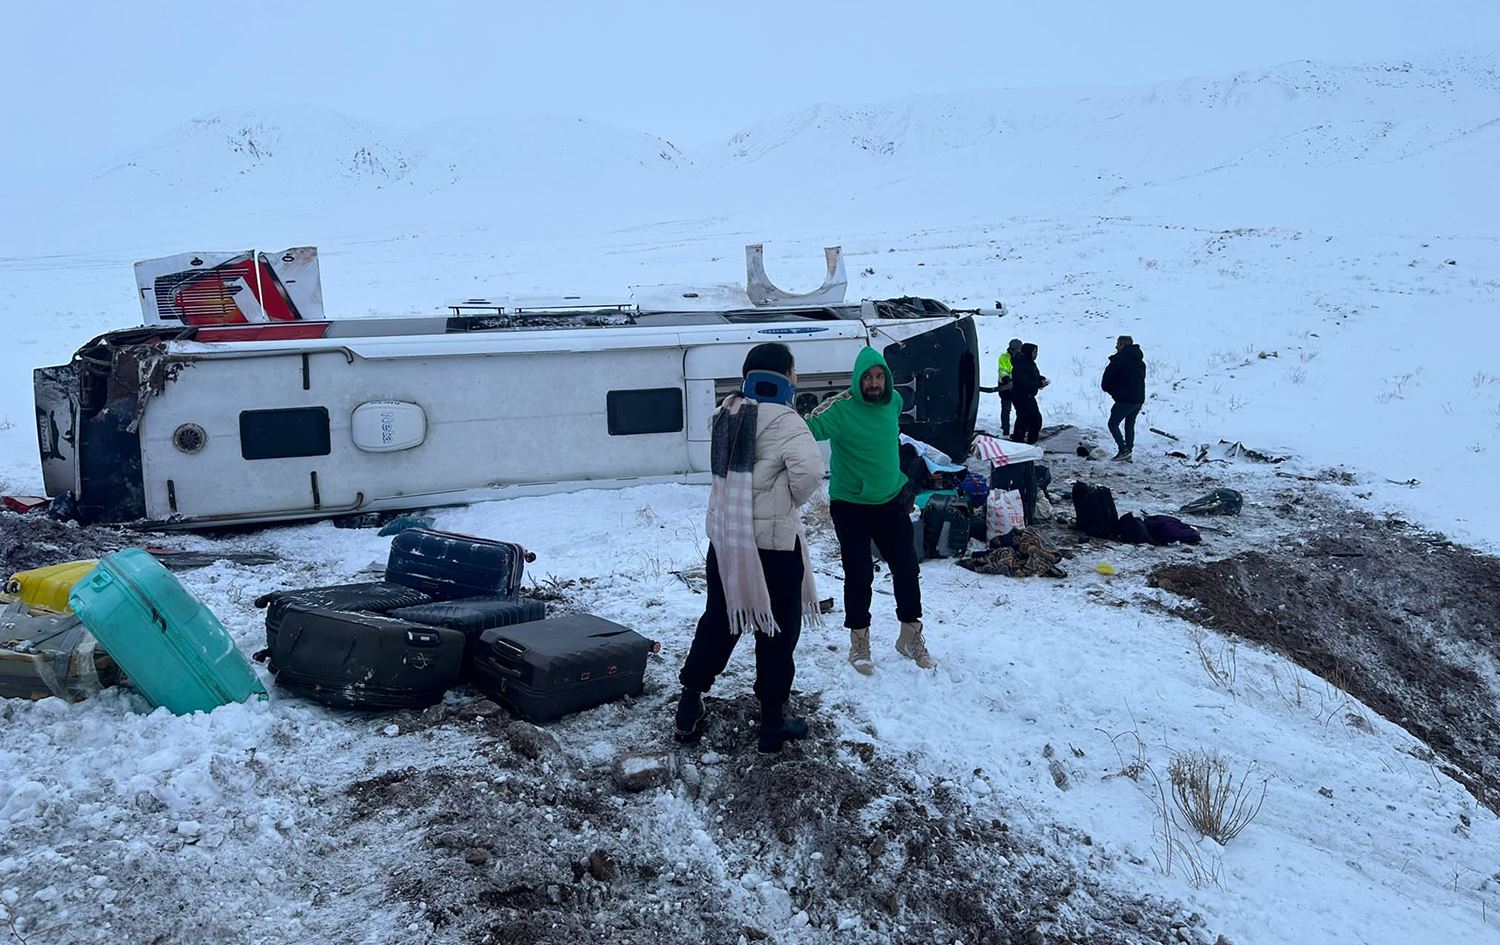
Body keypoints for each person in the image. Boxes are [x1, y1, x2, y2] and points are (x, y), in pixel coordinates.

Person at [674, 343, 826, 754]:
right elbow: (810, 472)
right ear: (786, 377)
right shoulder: (788, 422)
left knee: (719, 622)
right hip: (774, 548)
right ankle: (772, 725)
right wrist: (788, 500)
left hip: (728, 542)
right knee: (777, 633)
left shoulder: (727, 413)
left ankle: (688, 707)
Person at [805, 347, 933, 674]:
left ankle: (910, 636)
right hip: (851, 504)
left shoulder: (894, 402)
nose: (874, 383)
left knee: (906, 569)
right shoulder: (840, 409)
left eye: (879, 377)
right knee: (859, 574)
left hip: (890, 500)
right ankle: (859, 643)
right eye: (868, 378)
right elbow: (805, 429)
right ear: (857, 380)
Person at [1101, 335, 1146, 461]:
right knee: (1129, 425)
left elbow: (1106, 382)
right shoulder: (1140, 362)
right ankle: (1128, 451)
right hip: (1138, 399)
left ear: (1122, 345)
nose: (1116, 347)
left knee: (1112, 423)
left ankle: (1123, 450)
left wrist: (1114, 392)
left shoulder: (1119, 360)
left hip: (1124, 399)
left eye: (1117, 344)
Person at [1009, 342, 1046, 445]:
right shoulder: (1021, 365)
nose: (1035, 354)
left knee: (1033, 420)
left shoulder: (1030, 363)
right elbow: (1024, 383)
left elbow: (1032, 377)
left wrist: (1041, 379)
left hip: (1028, 396)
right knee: (1025, 420)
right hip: (1021, 397)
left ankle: (1028, 442)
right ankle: (1019, 442)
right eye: (1034, 352)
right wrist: (1038, 383)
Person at [996, 338, 1023, 437]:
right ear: (1011, 349)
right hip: (1005, 386)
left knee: (1020, 409)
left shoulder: (1021, 358)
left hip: (1017, 387)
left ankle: (1020, 429)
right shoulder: (1003, 357)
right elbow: (1002, 371)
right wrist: (1007, 379)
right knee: (1006, 408)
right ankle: (1005, 430)